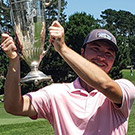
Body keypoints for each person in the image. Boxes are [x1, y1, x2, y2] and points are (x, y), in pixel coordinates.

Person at [1, 20, 135, 135]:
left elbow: (106, 85)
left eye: (109, 53)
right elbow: (14, 106)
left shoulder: (125, 87)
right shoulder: (56, 93)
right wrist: (14, 60)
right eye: (95, 49)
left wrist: (62, 49)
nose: (101, 57)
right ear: (82, 53)